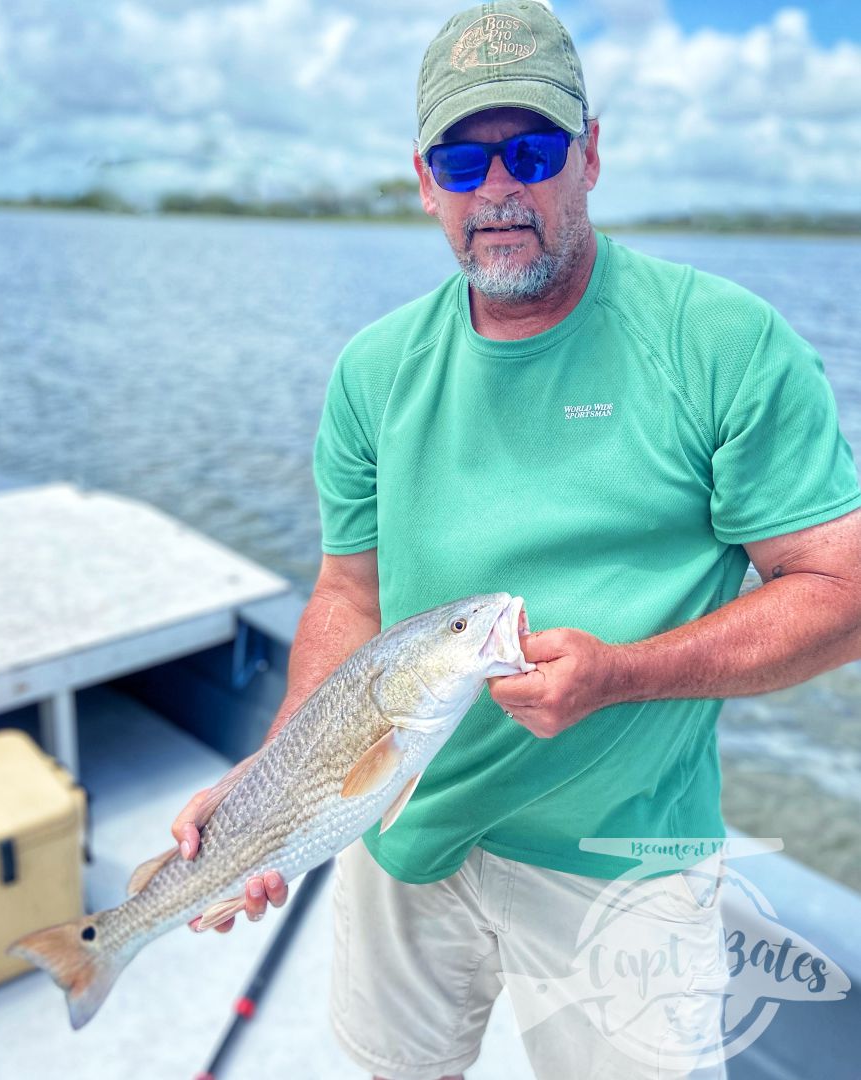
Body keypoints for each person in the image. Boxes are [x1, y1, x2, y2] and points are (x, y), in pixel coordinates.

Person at [172, 2, 861, 1077]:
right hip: (397, 836)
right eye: (461, 158)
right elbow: (348, 594)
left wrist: (623, 674)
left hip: (623, 864)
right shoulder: (372, 370)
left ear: (588, 156)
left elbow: (840, 590)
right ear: (423, 179)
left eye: (530, 150)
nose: (496, 187)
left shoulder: (721, 342)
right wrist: (275, 784)